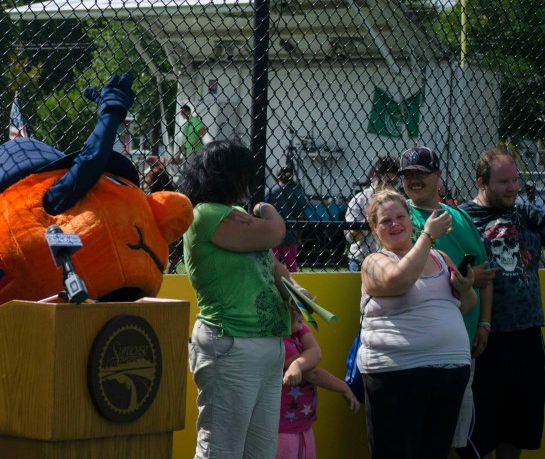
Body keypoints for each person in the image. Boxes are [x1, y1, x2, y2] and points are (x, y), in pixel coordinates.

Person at [458, 148, 545, 459]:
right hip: (483, 340)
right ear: (481, 181)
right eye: (503, 182)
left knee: (518, 428)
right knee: (478, 431)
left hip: (527, 334)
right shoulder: (463, 219)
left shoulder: (525, 213)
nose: (513, 188)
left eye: (515, 180)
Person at [179, 140, 291, 459]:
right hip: (231, 343)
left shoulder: (234, 214)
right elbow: (275, 232)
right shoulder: (206, 214)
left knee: (259, 452)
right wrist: (267, 210)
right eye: (245, 173)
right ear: (228, 175)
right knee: (221, 450)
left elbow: (269, 264)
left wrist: (294, 293)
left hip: (264, 344)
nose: (250, 181)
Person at [359, 190, 475, 459]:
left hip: (450, 374)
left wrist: (466, 288)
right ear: (375, 229)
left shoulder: (440, 258)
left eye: (401, 217)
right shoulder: (375, 261)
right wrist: (427, 237)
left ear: (410, 220)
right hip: (397, 375)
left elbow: (466, 306)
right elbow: (398, 281)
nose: (395, 224)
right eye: (386, 221)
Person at [398, 146, 495, 452]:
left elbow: (486, 275)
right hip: (415, 350)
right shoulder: (397, 218)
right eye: (408, 175)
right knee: (414, 439)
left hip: (461, 345)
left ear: (437, 176)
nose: (414, 181)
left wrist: (485, 324)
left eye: (421, 174)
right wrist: (458, 281)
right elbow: (400, 276)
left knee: (453, 439)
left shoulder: (460, 217)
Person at [277, 299, 360, 459]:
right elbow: (313, 374)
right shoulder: (281, 344)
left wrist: (298, 365)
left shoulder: (296, 333)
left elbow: (316, 353)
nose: (302, 312)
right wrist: (343, 387)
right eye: (295, 308)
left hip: (300, 423)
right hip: (284, 429)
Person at [344, 156, 399, 270]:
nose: (391, 187)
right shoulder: (360, 199)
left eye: (394, 183)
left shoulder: (397, 200)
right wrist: (370, 221)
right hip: (361, 260)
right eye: (388, 182)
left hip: (388, 260)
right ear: (376, 176)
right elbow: (350, 237)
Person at [266, 166, 308, 271]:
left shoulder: (271, 191)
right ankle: (293, 285)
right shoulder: (298, 193)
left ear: (277, 176)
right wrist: (299, 236)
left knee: (272, 264)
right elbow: (301, 215)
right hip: (291, 233)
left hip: (273, 232)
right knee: (291, 266)